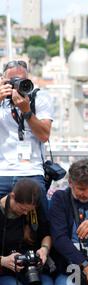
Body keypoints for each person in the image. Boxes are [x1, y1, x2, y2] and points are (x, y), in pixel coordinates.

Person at [0, 60, 54, 217]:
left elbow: (44, 135)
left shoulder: (39, 97)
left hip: (31, 170)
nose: (17, 85)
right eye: (12, 81)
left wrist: (27, 111)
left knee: (42, 220)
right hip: (2, 171)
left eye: (22, 80)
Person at [0, 178, 54, 285]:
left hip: (31, 269)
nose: (25, 213)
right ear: (12, 196)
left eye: (28, 210)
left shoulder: (33, 208)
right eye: (22, 209)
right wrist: (3, 260)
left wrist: (44, 249)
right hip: (5, 270)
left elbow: (47, 234)